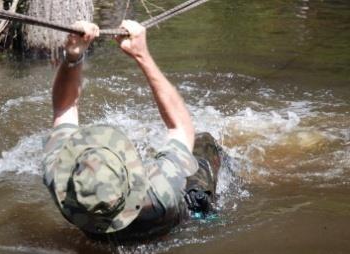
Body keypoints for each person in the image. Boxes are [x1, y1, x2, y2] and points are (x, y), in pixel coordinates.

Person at [43, 20, 222, 242]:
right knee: (204, 144)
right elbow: (181, 128)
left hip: (106, 232)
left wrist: (73, 56)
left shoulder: (61, 183)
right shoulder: (159, 192)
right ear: (133, 178)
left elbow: (63, 109)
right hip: (176, 220)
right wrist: (142, 55)